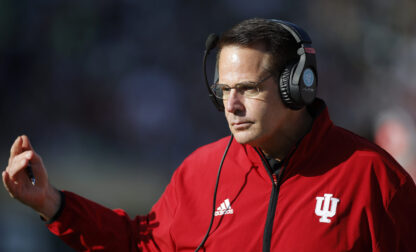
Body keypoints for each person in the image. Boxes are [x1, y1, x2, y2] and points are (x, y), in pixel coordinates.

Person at [3, 18, 416, 252]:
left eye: (248, 89)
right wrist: (54, 204)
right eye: (224, 90)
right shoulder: (200, 171)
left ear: (298, 86)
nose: (230, 106)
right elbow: (140, 244)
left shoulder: (375, 179)